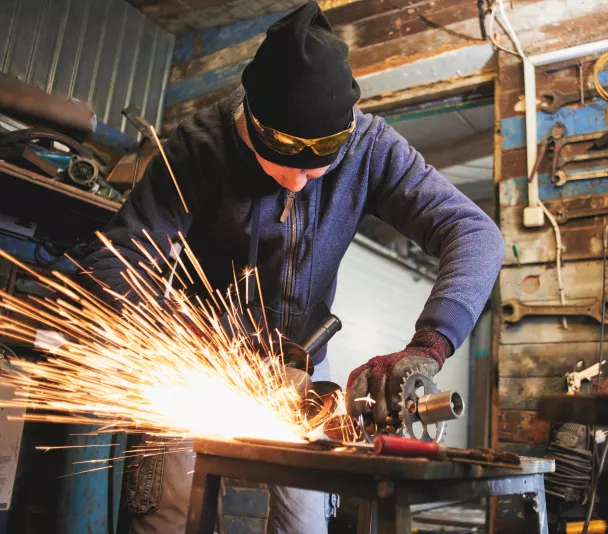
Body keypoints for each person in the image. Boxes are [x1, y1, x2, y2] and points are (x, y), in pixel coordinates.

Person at [81, 2, 504, 532]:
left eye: (318, 164)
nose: (300, 183)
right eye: (284, 162)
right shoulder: (198, 148)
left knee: (305, 518)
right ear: (250, 122)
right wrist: (169, 328)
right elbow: (116, 258)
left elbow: (476, 235)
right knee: (168, 512)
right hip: (200, 363)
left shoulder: (369, 149)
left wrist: (429, 347)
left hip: (302, 370)